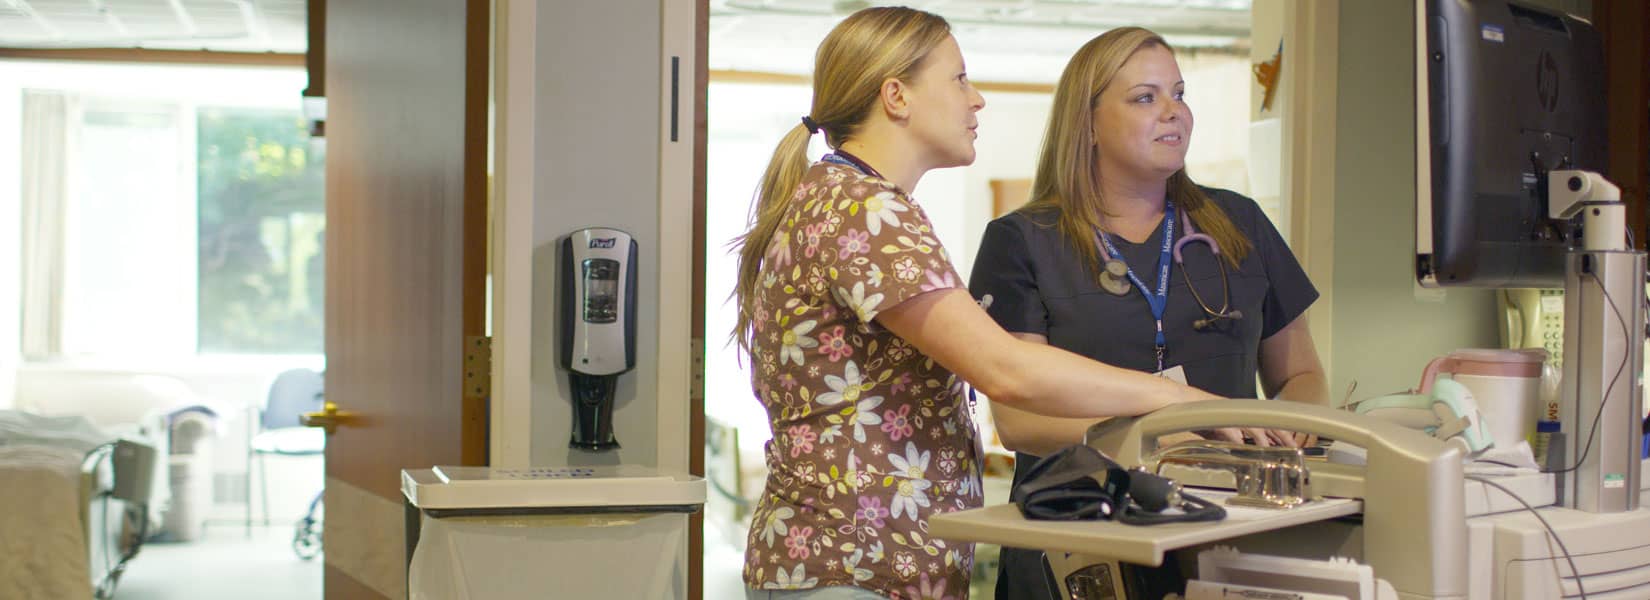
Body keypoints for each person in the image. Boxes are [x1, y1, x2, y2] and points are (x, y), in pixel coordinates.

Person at [730, 9, 1229, 600]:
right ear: (896, 96)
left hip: (855, 563)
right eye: (959, 79)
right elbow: (1006, 371)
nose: (977, 99)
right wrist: (1181, 401)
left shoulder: (845, 197)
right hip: (853, 566)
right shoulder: (864, 210)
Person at [967, 27, 1330, 600]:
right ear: (1087, 124)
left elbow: (1302, 375)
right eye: (1145, 97)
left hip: (1225, 528)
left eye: (1179, 94)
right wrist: (1161, 435)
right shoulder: (1022, 241)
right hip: (1076, 538)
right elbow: (1018, 422)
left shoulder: (1239, 224)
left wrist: (1291, 426)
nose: (1173, 112)